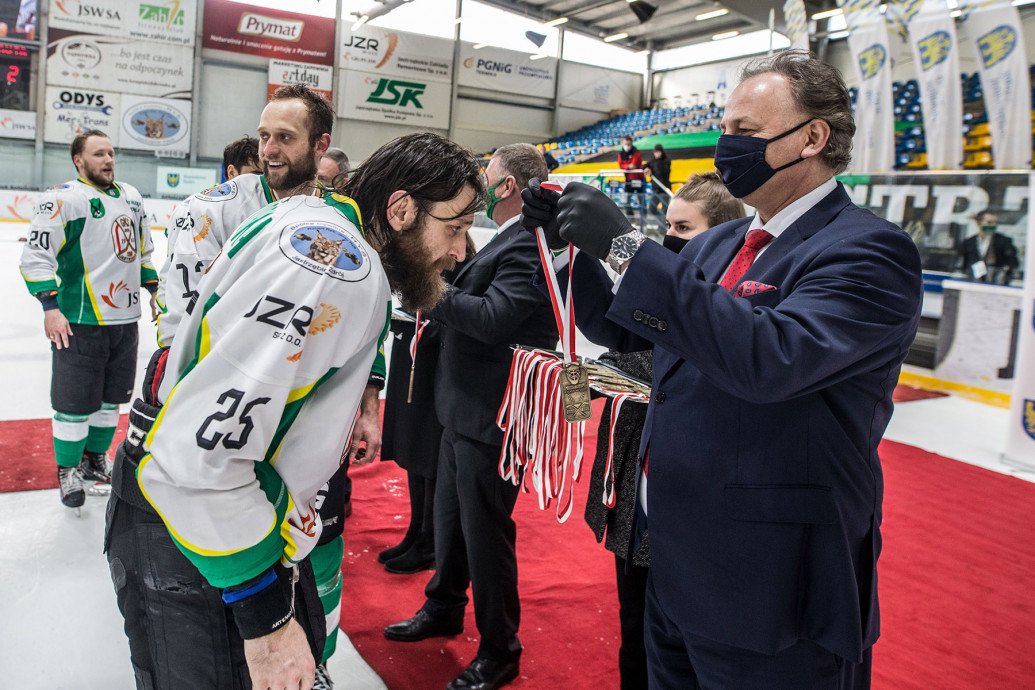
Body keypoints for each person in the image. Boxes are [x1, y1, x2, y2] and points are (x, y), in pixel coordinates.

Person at [523, 49, 923, 688]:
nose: (725, 145)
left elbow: (770, 358)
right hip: (674, 558)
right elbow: (631, 332)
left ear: (813, 138)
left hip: (772, 582)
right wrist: (568, 250)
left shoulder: (869, 250)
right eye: (724, 128)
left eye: (746, 130)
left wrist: (627, 246)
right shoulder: (715, 244)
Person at [104, 131, 482, 690]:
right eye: (455, 227)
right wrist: (266, 623)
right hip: (199, 535)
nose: (460, 251)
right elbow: (203, 455)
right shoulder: (338, 267)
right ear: (401, 209)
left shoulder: (317, 218)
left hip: (217, 524)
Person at [146, 85, 382, 688]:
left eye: (285, 138)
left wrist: (368, 397)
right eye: (264, 136)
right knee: (242, 535)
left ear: (321, 145)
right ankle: (265, 636)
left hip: (311, 416)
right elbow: (185, 315)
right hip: (235, 419)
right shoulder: (217, 208)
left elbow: (367, 322)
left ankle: (319, 655)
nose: (269, 149)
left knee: (321, 533)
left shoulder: (342, 217)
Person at [383, 143, 558, 690]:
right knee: (452, 520)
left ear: (508, 187)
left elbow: (494, 318)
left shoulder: (529, 242)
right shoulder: (509, 238)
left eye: (488, 177)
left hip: (496, 413)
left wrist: (426, 285)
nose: (479, 187)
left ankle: (501, 648)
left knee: (486, 534)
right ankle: (444, 605)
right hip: (466, 406)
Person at [584, 171, 745, 690]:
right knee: (635, 627)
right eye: (668, 225)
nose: (670, 237)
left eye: (683, 227)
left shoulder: (726, 302)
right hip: (635, 484)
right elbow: (612, 328)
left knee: (685, 645)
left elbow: (680, 363)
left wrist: (608, 372)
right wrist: (572, 253)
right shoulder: (660, 282)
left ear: (721, 235)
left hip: (688, 494)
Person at [19, 129, 159, 510]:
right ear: (78, 161)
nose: (108, 160)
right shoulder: (64, 199)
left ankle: (95, 460)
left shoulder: (131, 197)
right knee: (73, 403)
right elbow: (36, 257)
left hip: (124, 320)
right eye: (98, 154)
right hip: (79, 320)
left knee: (110, 400)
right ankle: (68, 469)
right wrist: (50, 308)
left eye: (110, 153)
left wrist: (154, 291)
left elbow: (143, 251)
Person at [379, 234, 477, 576]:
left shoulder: (459, 258)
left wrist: (426, 326)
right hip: (412, 359)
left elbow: (461, 315)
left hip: (436, 365)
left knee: (428, 454)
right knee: (411, 450)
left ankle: (430, 539)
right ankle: (417, 529)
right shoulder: (421, 253)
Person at [959, 210, 1019, 285]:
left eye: (995, 222)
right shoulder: (969, 242)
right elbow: (964, 264)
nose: (993, 225)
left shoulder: (1003, 241)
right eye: (989, 222)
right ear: (978, 223)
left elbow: (1013, 263)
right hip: (973, 283)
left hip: (996, 283)